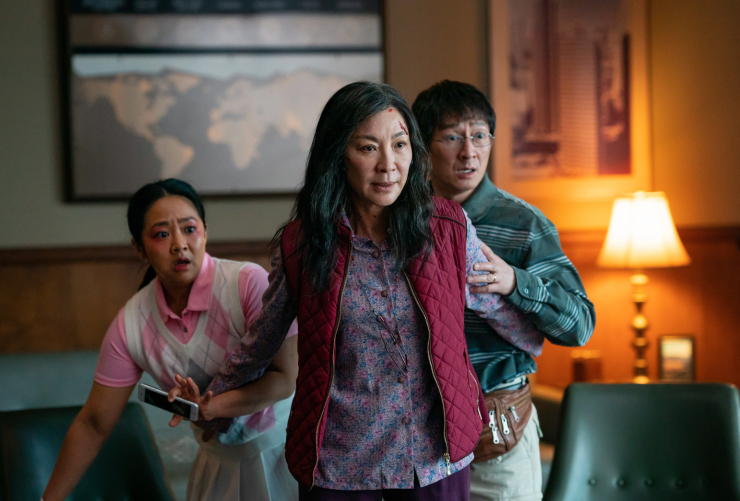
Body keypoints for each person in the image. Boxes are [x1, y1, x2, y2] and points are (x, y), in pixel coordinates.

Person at [168, 81, 545, 501]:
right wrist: (210, 403)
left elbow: (494, 306)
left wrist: (536, 334)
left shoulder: (448, 227)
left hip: (433, 457)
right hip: (339, 463)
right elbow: (261, 340)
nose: (388, 165)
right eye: (368, 148)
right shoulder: (304, 244)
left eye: (399, 145)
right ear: (339, 156)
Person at [42, 179, 299, 501]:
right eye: (162, 234)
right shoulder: (132, 323)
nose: (179, 244)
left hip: (287, 453)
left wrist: (211, 407)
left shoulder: (246, 283)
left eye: (190, 229)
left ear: (205, 231)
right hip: (217, 466)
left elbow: (286, 377)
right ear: (139, 248)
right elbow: (94, 423)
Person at [412, 80, 596, 501]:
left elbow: (580, 326)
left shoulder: (524, 224)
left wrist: (515, 282)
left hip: (496, 440)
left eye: (479, 136)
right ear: (423, 146)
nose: (469, 152)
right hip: (421, 439)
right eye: (452, 137)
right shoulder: (402, 220)